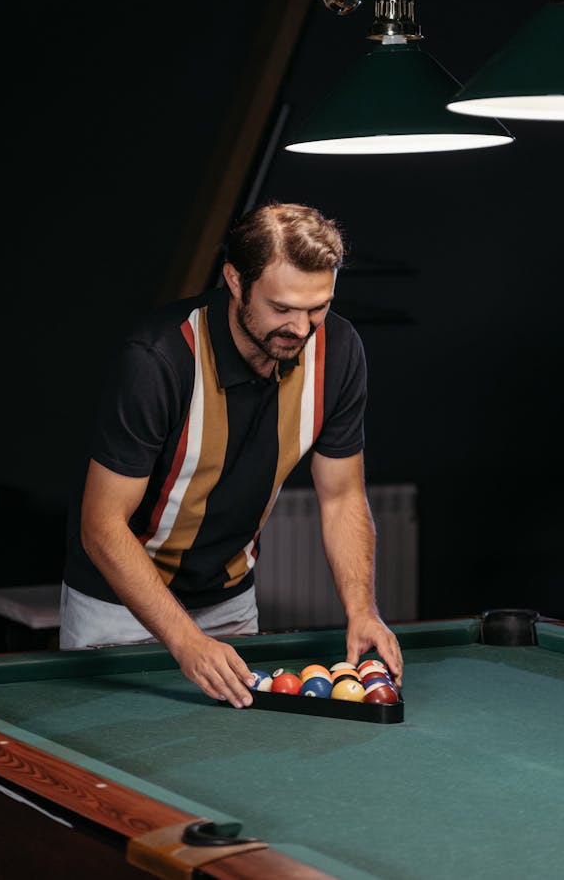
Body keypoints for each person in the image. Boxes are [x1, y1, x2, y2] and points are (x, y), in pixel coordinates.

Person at [60, 201, 403, 707]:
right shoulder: (158, 359)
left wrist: (362, 609)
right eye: (282, 308)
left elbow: (342, 497)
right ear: (235, 281)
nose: (302, 329)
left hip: (230, 604)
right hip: (118, 608)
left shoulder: (340, 351)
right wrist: (185, 640)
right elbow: (102, 525)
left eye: (317, 307)